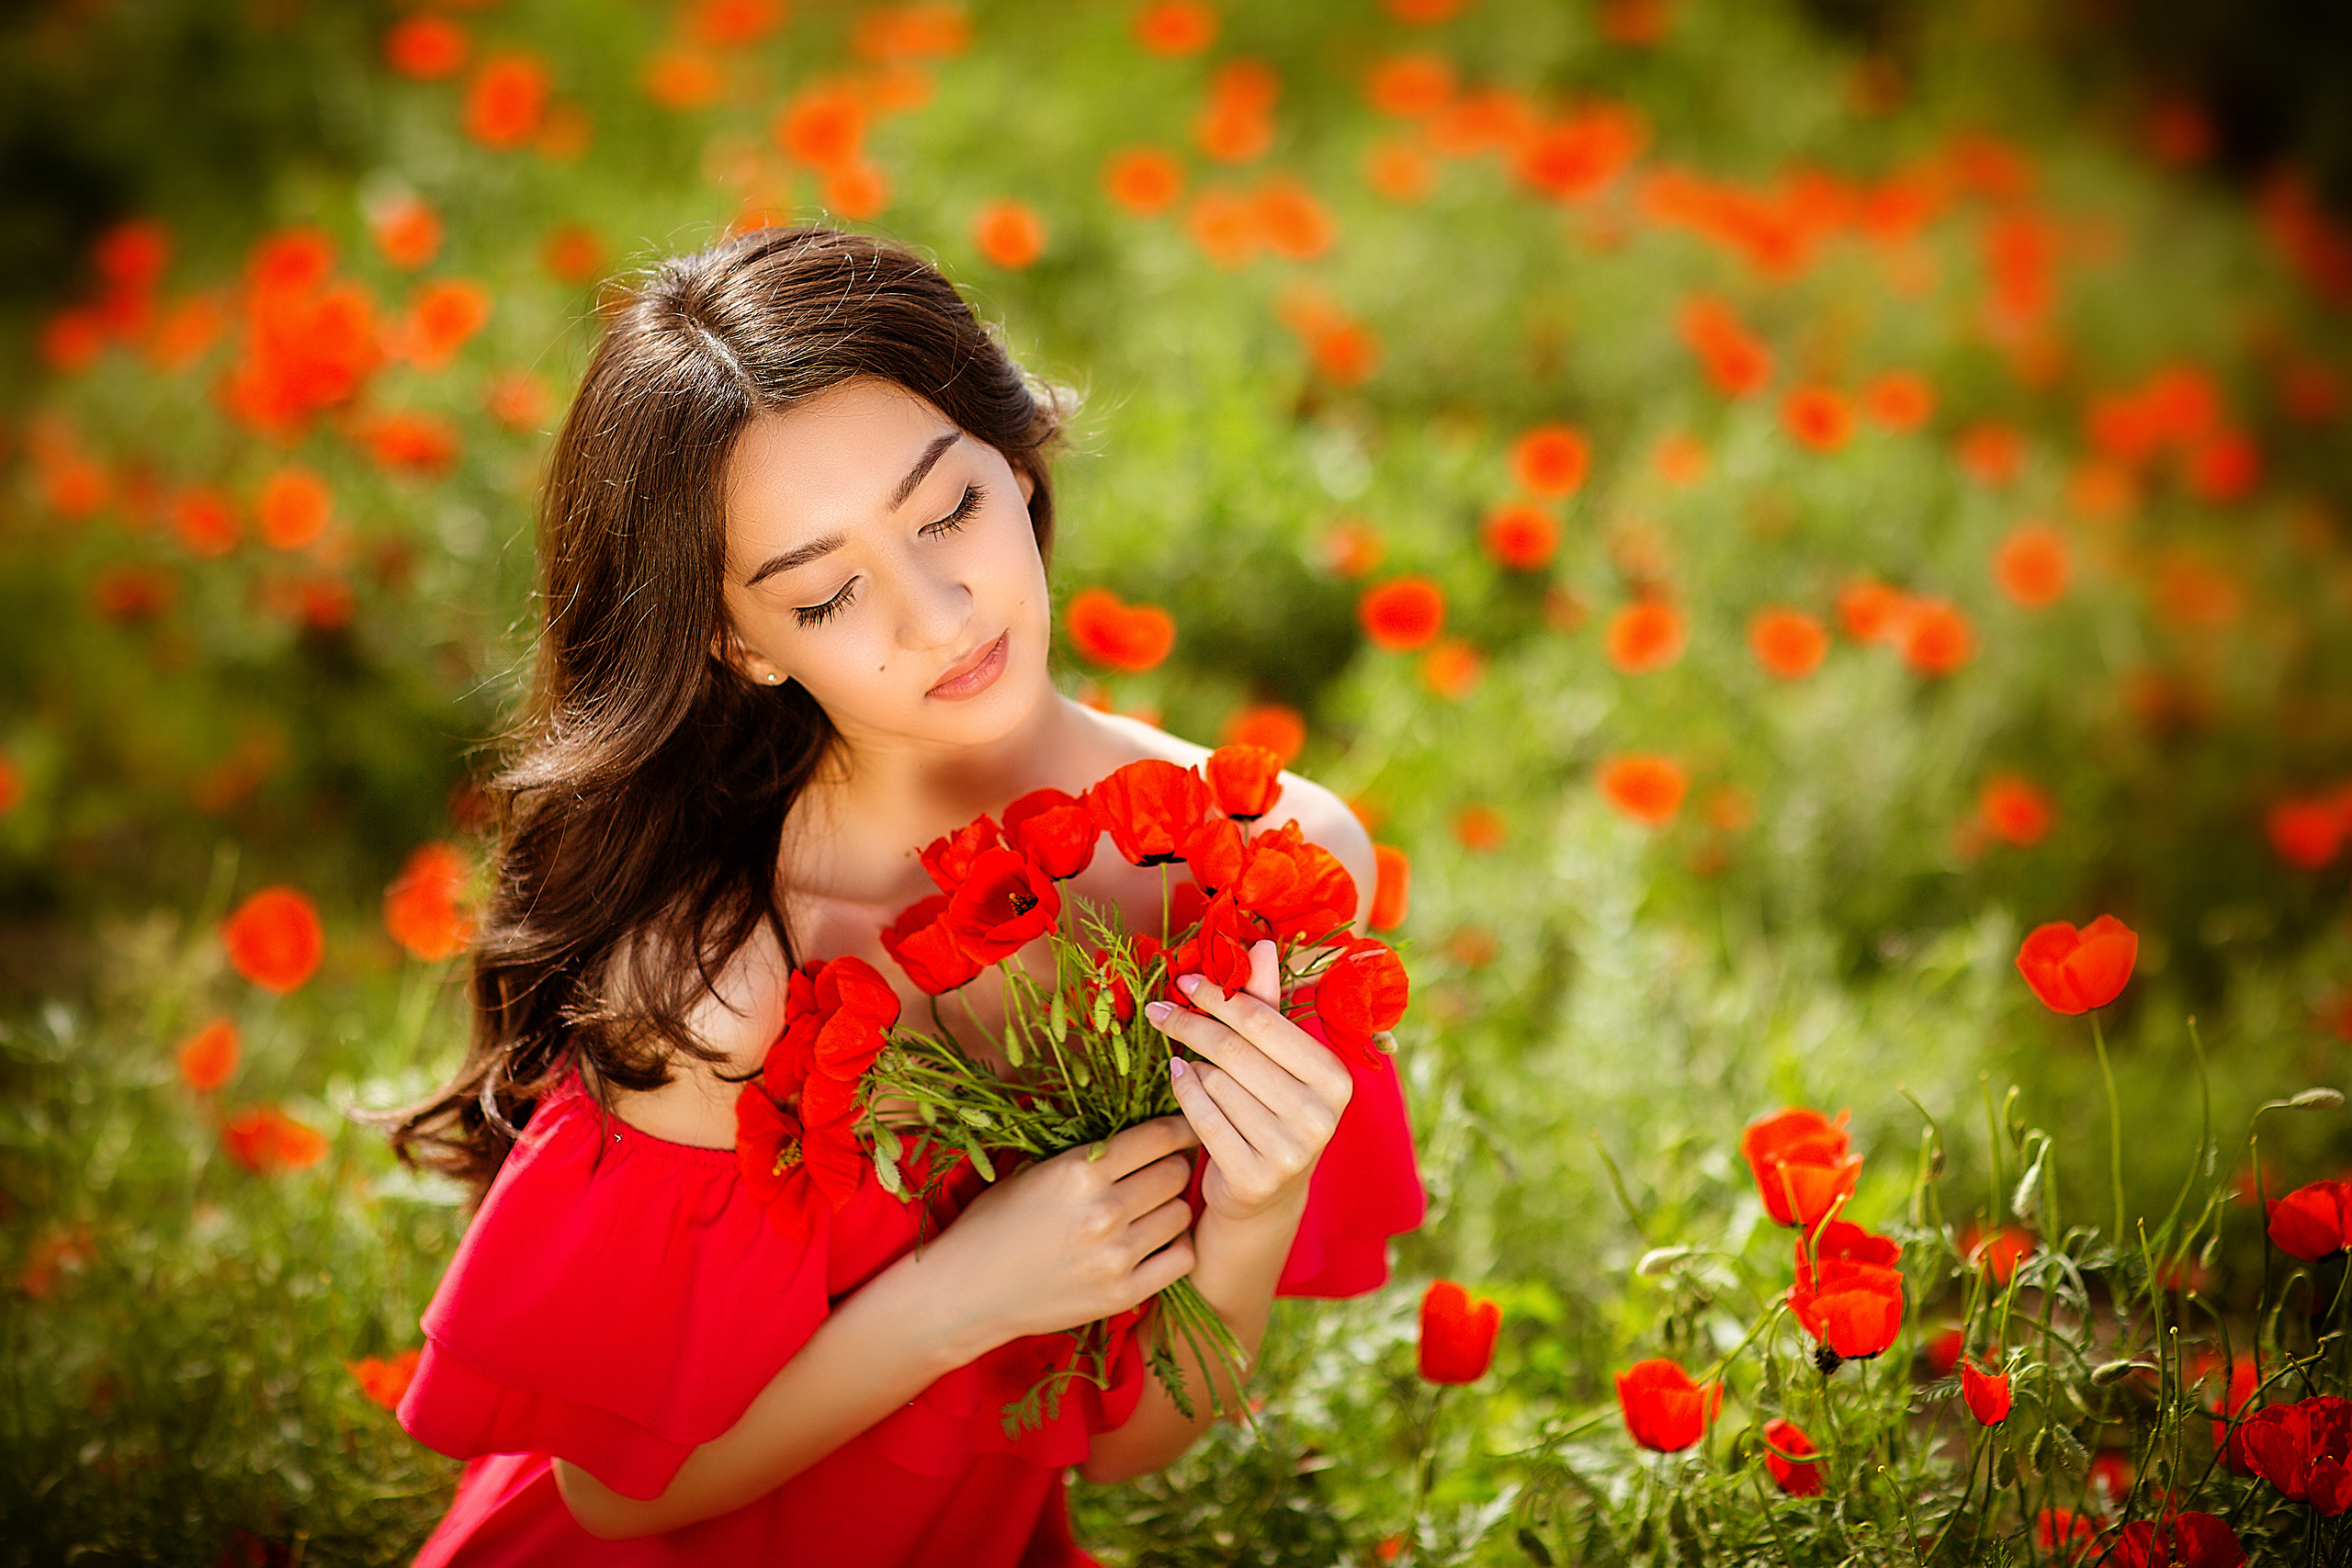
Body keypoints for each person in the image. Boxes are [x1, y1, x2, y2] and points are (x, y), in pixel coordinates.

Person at [386, 223, 1425, 1564]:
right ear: (732, 644)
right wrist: (959, 1299)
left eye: (950, 511)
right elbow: (616, 1499)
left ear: (1018, 453)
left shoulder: (1260, 868)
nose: (939, 613)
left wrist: (1258, 1201)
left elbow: (1134, 1441)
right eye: (825, 597)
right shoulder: (724, 979)